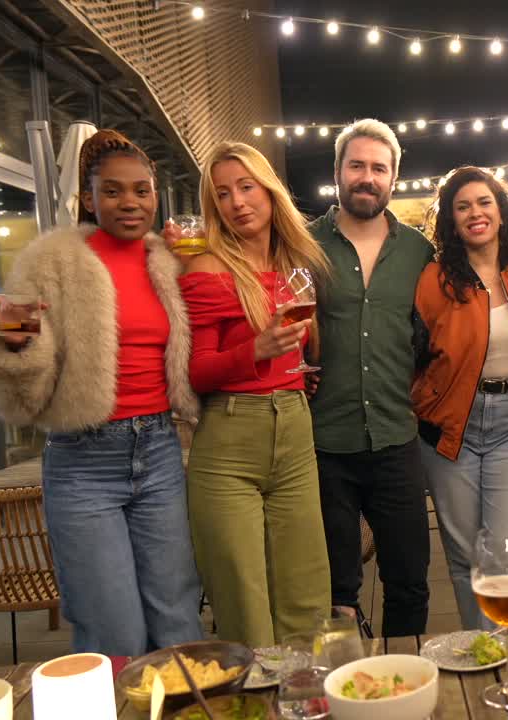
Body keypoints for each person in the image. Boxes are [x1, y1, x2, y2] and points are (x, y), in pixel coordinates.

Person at [0, 129, 203, 655]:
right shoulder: (52, 260)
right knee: (111, 629)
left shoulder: (170, 258)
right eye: (113, 190)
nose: (130, 202)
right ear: (89, 198)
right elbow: (19, 399)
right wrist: (14, 346)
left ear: (156, 196)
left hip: (162, 451)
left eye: (142, 190)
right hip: (83, 462)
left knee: (177, 616)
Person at [180, 141, 333, 648]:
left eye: (247, 187)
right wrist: (258, 347)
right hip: (229, 440)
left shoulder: (297, 264)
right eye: (223, 194)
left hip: (293, 425)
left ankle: (306, 699)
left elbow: (300, 348)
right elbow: (197, 373)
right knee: (243, 600)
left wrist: (295, 365)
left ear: (270, 192)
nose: (237, 202)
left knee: (306, 590)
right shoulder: (206, 269)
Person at [306, 119, 433, 637]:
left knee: (410, 583)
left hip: (396, 439)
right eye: (356, 165)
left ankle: (404, 688)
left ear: (394, 178)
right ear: (337, 172)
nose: (367, 177)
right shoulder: (303, 245)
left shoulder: (419, 252)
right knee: (336, 593)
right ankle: (349, 693)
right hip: (323, 444)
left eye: (379, 168)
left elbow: (433, 336)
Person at [412, 167, 508, 631]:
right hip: (452, 427)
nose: (475, 213)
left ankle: (502, 656)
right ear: (451, 222)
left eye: (484, 202)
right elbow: (411, 350)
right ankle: (483, 654)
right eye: (463, 206)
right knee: (464, 553)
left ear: (502, 210)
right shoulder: (433, 279)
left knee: (505, 551)